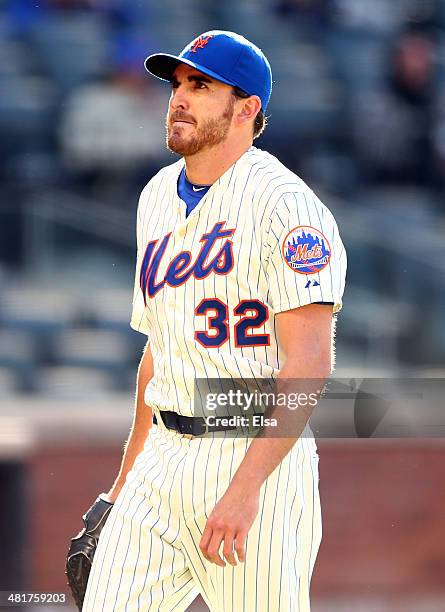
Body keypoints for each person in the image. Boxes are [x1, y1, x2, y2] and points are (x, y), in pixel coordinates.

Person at [82, 30, 346, 612]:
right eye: (177, 84)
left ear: (246, 108)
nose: (179, 98)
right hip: (162, 459)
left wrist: (247, 486)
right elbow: (157, 354)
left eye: (200, 86)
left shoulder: (287, 205)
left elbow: (309, 362)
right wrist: (122, 486)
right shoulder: (154, 197)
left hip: (252, 452)